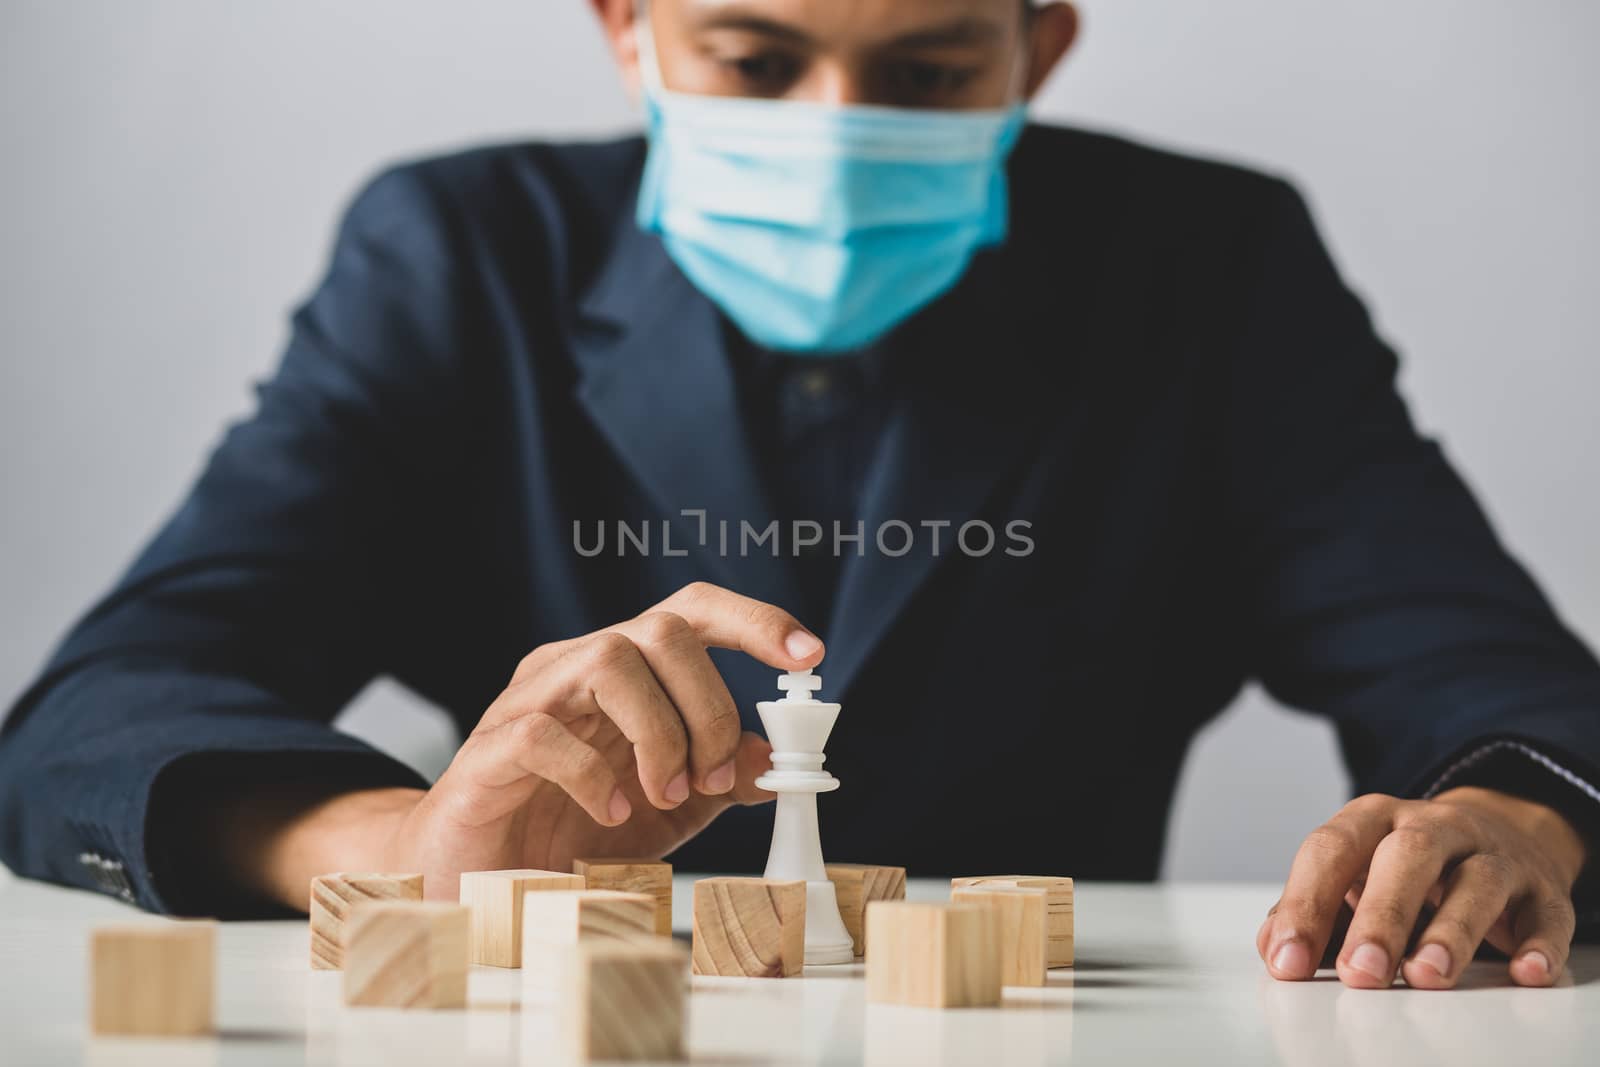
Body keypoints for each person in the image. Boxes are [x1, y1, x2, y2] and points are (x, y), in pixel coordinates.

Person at [1, 0, 1596, 995]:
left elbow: (1493, 681)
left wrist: (1509, 815)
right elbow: (97, 715)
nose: (836, 131)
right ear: (628, 27)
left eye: (923, 68)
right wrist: (403, 842)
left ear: (1037, 47)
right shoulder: (460, 253)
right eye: (754, 59)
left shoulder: (1208, 269)